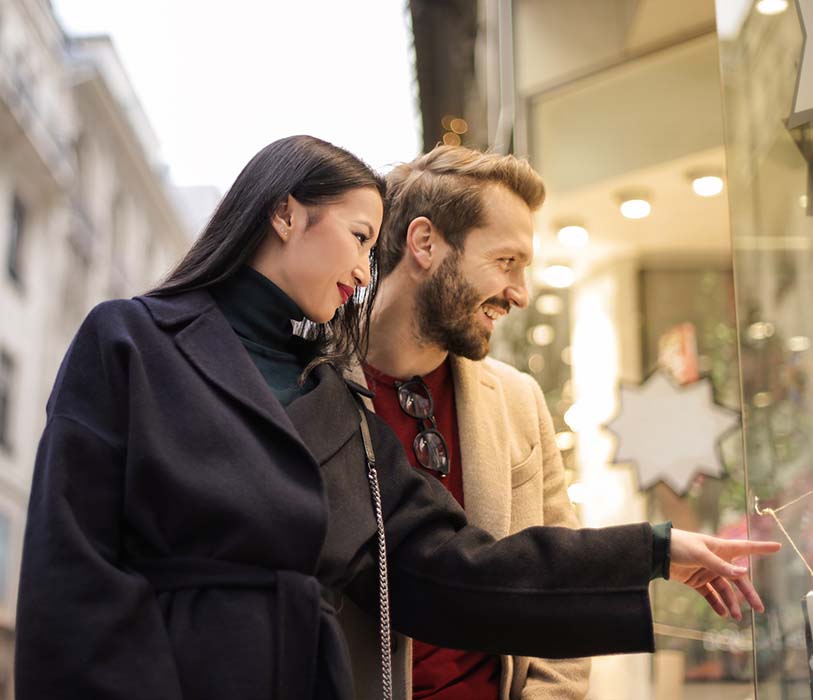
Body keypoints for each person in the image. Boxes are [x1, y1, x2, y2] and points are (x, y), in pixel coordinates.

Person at [15, 135, 779, 700]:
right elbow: (72, 574)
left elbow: (452, 566)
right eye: (357, 239)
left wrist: (651, 551)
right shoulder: (130, 341)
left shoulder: (331, 403)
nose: (361, 271)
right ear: (284, 214)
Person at [339, 146, 590, 699]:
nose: (520, 294)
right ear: (425, 243)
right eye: (507, 262)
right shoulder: (311, 385)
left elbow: (561, 587)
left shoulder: (520, 400)